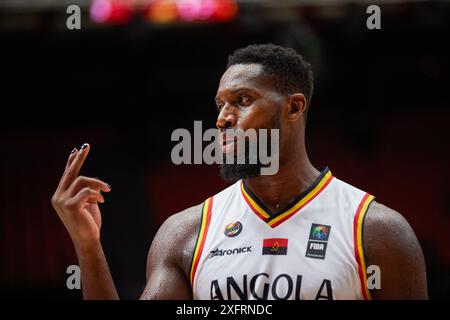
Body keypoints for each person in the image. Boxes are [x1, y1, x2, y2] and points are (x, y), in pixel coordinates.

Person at [51, 44, 427, 300]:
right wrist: (88, 246)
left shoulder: (377, 230)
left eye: (242, 100)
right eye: (220, 104)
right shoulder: (186, 232)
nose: (222, 118)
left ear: (294, 108)